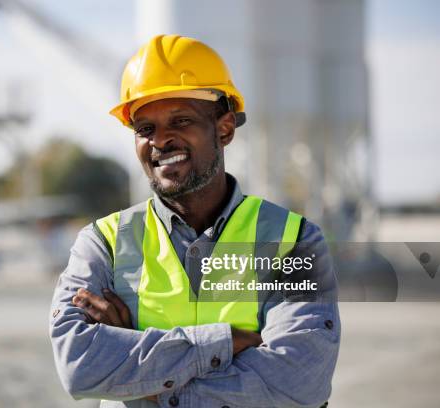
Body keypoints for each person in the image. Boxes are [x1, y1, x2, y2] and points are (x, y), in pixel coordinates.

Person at [49, 34, 340, 408]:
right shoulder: (102, 241)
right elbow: (80, 367)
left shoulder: (293, 240)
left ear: (225, 128)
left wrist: (144, 382)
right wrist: (222, 344)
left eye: (181, 120)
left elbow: (297, 383)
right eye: (145, 128)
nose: (161, 141)